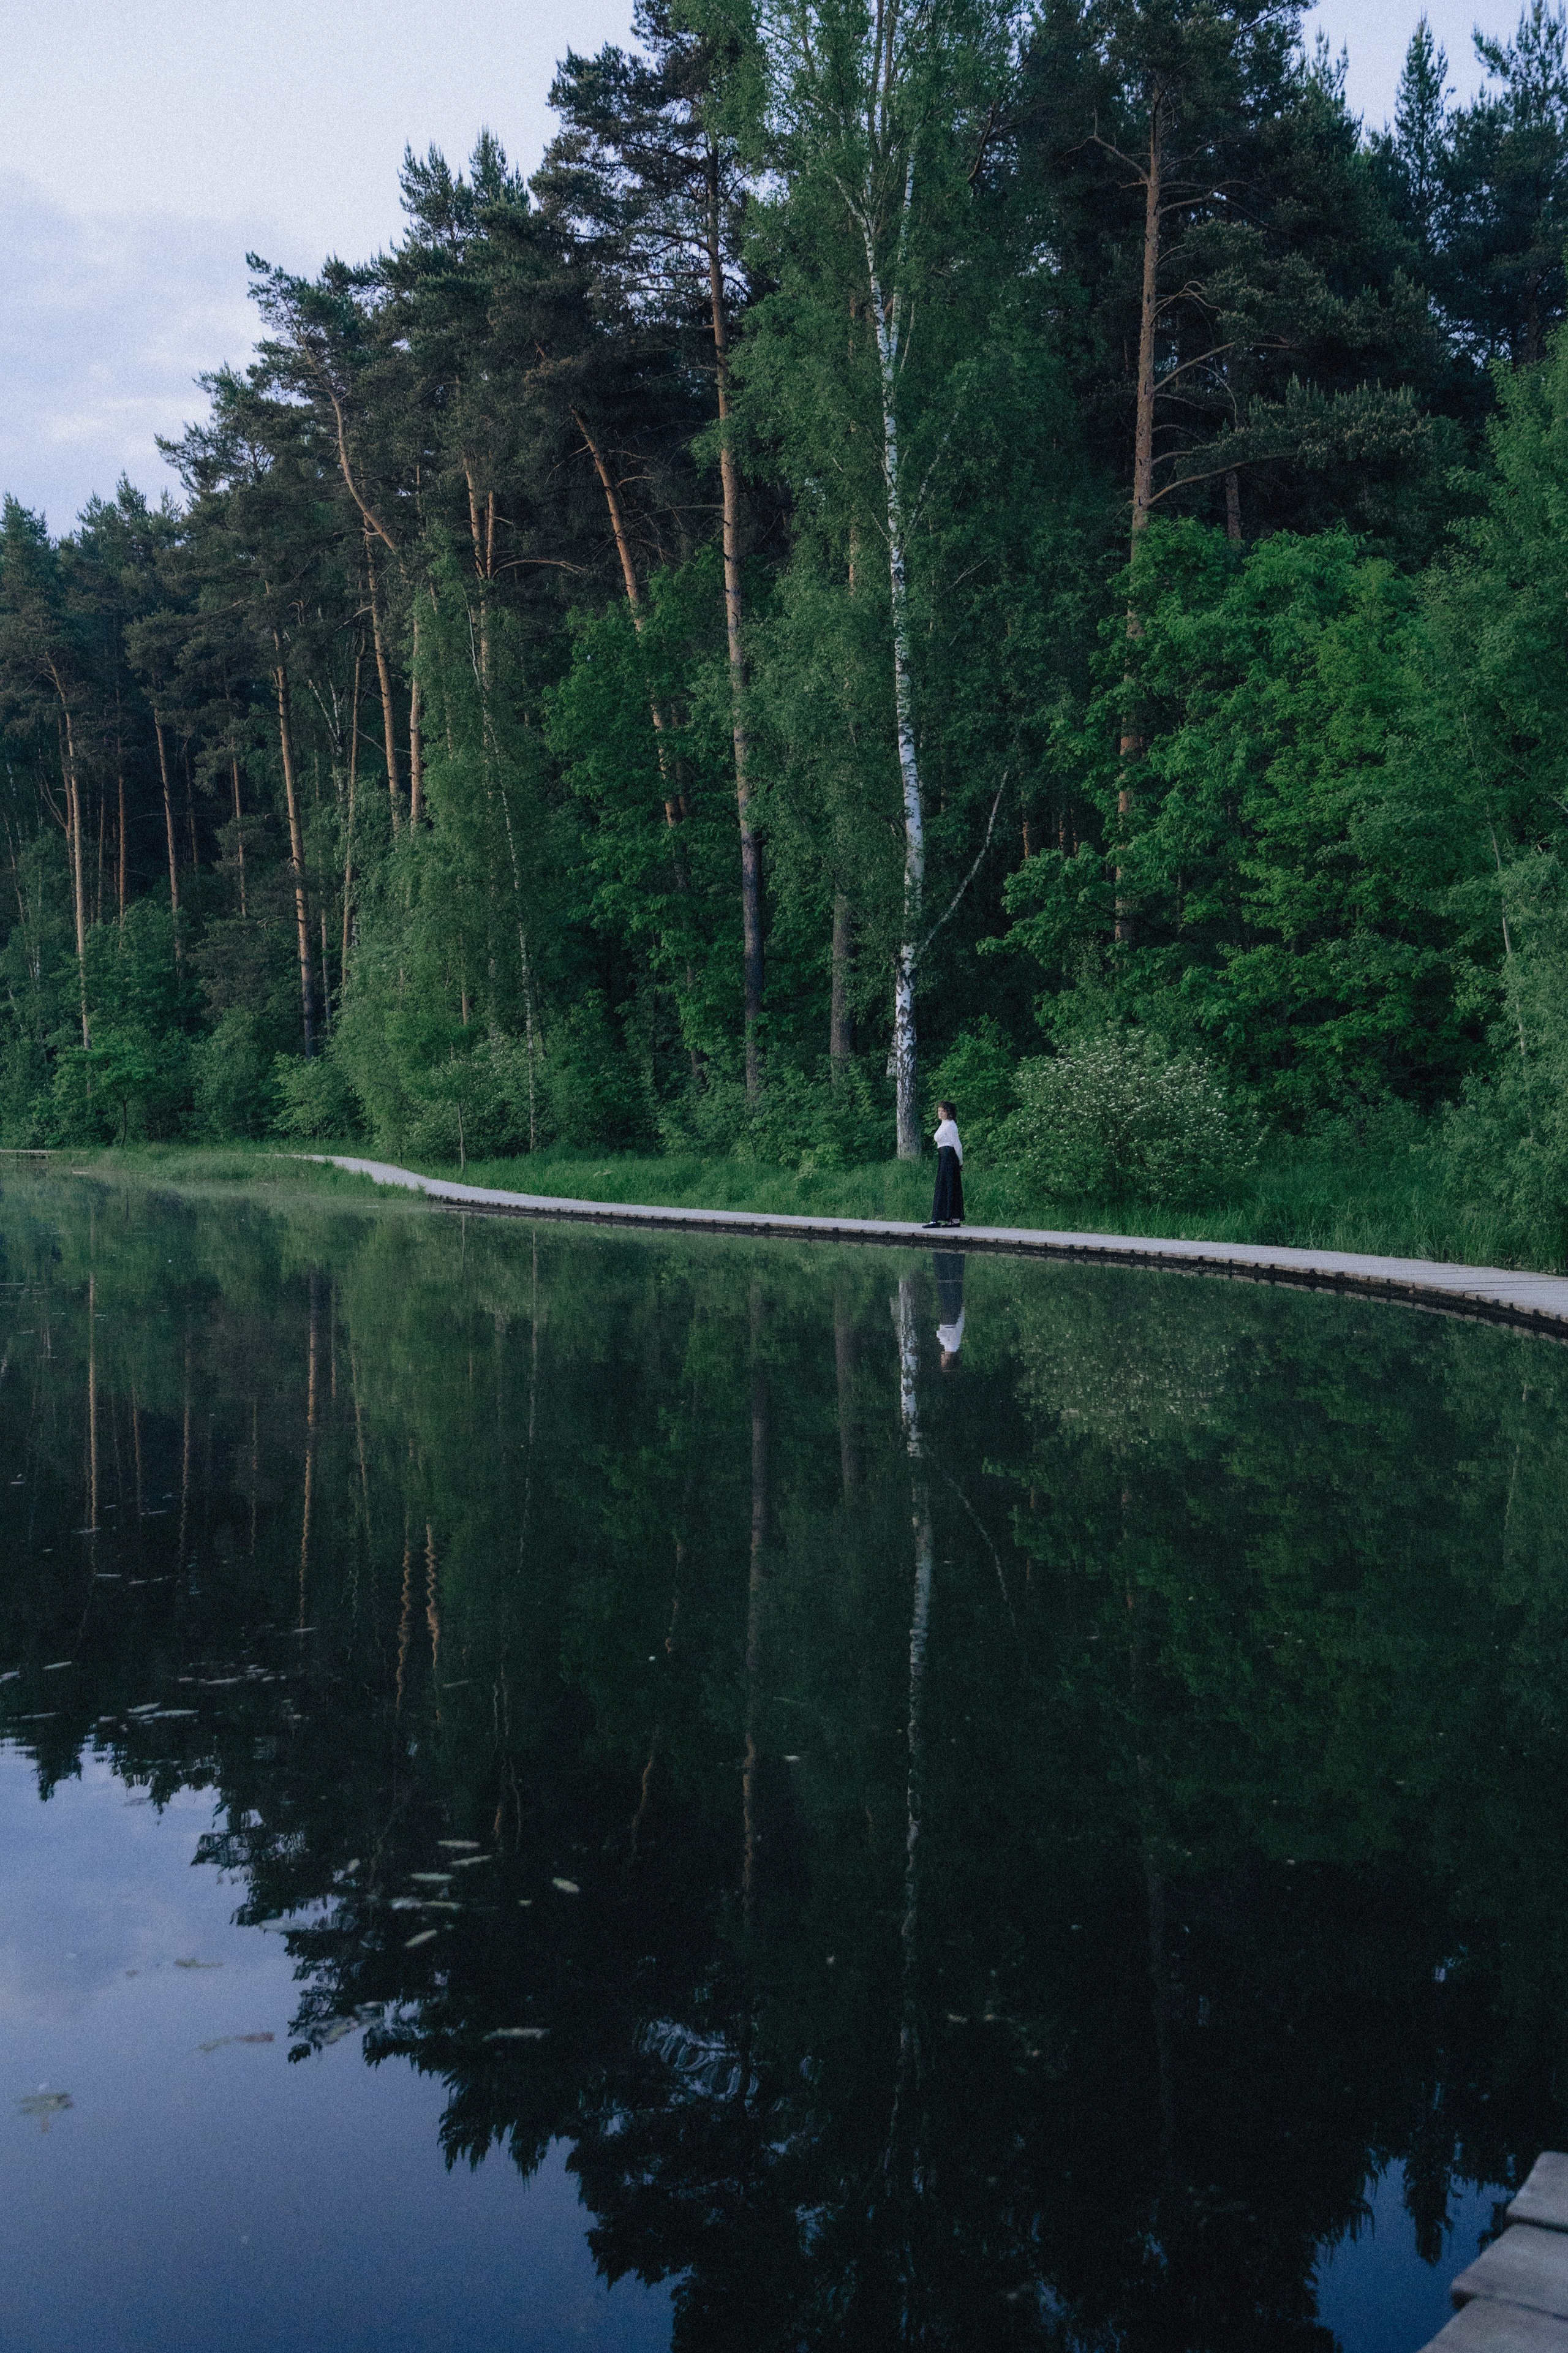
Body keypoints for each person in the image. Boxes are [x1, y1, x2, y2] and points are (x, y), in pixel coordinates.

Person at [924, 1100, 964, 1228]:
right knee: (944, 1186)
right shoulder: (944, 1124)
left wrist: (960, 1162)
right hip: (944, 1157)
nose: (940, 1113)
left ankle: (950, 1220)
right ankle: (945, 1219)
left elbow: (957, 1145)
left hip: (950, 1158)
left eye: (943, 1111)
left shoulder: (951, 1125)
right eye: (939, 1111)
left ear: (949, 1112)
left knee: (949, 1186)